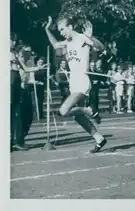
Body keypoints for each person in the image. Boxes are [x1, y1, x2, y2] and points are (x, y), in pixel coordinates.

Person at [45, 16, 107, 153]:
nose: (61, 33)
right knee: (78, 117)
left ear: (70, 27)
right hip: (73, 82)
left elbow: (101, 47)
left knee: (63, 110)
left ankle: (90, 110)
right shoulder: (67, 43)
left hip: (82, 81)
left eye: (63, 29)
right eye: (60, 30)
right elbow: (55, 45)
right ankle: (99, 139)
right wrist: (47, 29)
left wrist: (91, 38)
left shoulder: (81, 38)